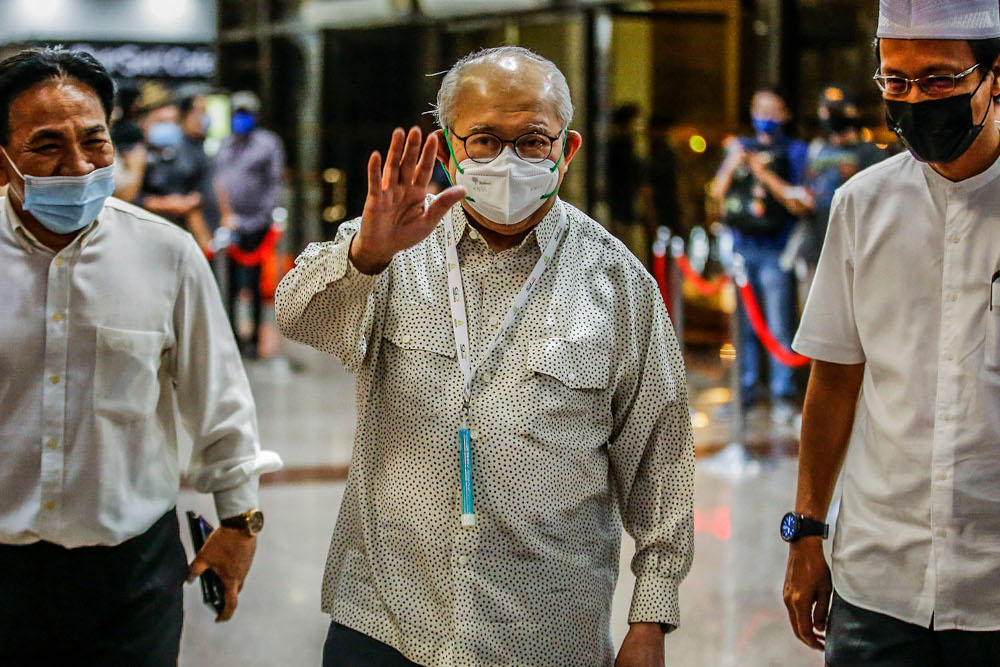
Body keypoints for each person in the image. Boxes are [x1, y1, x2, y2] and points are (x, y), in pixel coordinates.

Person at [276, 46, 694, 667]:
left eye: (531, 141)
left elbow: (660, 455)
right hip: (387, 617)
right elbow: (299, 316)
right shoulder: (396, 249)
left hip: (544, 627)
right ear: (448, 148)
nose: (508, 161)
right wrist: (366, 254)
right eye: (483, 141)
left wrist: (650, 616)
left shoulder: (617, 283)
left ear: (566, 151)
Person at [0, 48, 282, 665]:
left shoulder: (166, 255)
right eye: (46, 146)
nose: (77, 166)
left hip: (131, 577)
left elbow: (219, 399)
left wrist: (240, 522)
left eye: (94, 141)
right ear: (2, 160)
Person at [783, 1, 1000, 664]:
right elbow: (836, 376)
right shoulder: (862, 205)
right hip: (878, 582)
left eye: (937, 81)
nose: (914, 101)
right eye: (895, 82)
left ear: (995, 76)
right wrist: (806, 531)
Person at [711, 89, 808, 424]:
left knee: (780, 326)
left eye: (772, 108)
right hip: (742, 247)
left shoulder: (796, 151)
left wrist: (762, 171)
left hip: (776, 247)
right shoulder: (738, 146)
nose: (764, 114)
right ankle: (745, 392)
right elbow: (716, 191)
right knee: (743, 327)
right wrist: (736, 162)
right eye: (758, 108)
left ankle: (783, 395)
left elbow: (798, 200)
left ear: (785, 113)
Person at [783, 85, 884, 299]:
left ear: (853, 112)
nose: (830, 117)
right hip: (815, 247)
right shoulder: (817, 149)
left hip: (854, 250)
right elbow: (804, 189)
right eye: (826, 111)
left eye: (836, 111)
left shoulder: (871, 153)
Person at [214, 90, 286, 358]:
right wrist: (225, 215)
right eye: (237, 113)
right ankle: (232, 336)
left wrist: (261, 218)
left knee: (254, 285)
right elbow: (218, 180)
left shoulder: (267, 144)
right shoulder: (225, 144)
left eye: (245, 114)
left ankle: (254, 339)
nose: (240, 119)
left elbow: (273, 184)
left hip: (257, 223)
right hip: (229, 222)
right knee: (230, 284)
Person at [136, 93, 214, 249]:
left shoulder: (188, 151)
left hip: (184, 233)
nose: (167, 127)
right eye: (161, 122)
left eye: (172, 122)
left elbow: (201, 189)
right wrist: (165, 204)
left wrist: (190, 202)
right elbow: (129, 197)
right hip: (146, 233)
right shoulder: (137, 154)